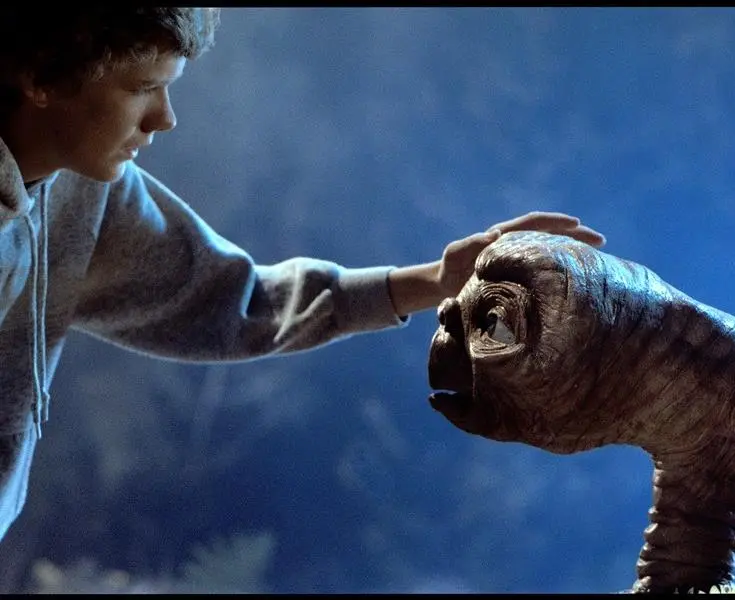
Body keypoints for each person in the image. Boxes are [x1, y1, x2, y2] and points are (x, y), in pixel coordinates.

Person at [0, 7, 606, 541]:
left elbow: (235, 302)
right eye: (143, 87)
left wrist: (436, 282)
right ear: (40, 76)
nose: (164, 118)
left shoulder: (87, 194)